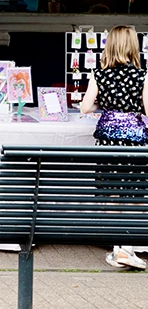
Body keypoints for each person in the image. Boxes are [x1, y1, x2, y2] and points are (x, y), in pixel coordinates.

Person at [80, 25, 148, 270]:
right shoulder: (143, 76)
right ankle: (127, 248)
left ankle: (119, 248)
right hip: (135, 140)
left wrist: (105, 108)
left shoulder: (99, 74)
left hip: (108, 139)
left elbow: (85, 108)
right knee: (134, 195)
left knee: (112, 194)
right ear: (133, 47)